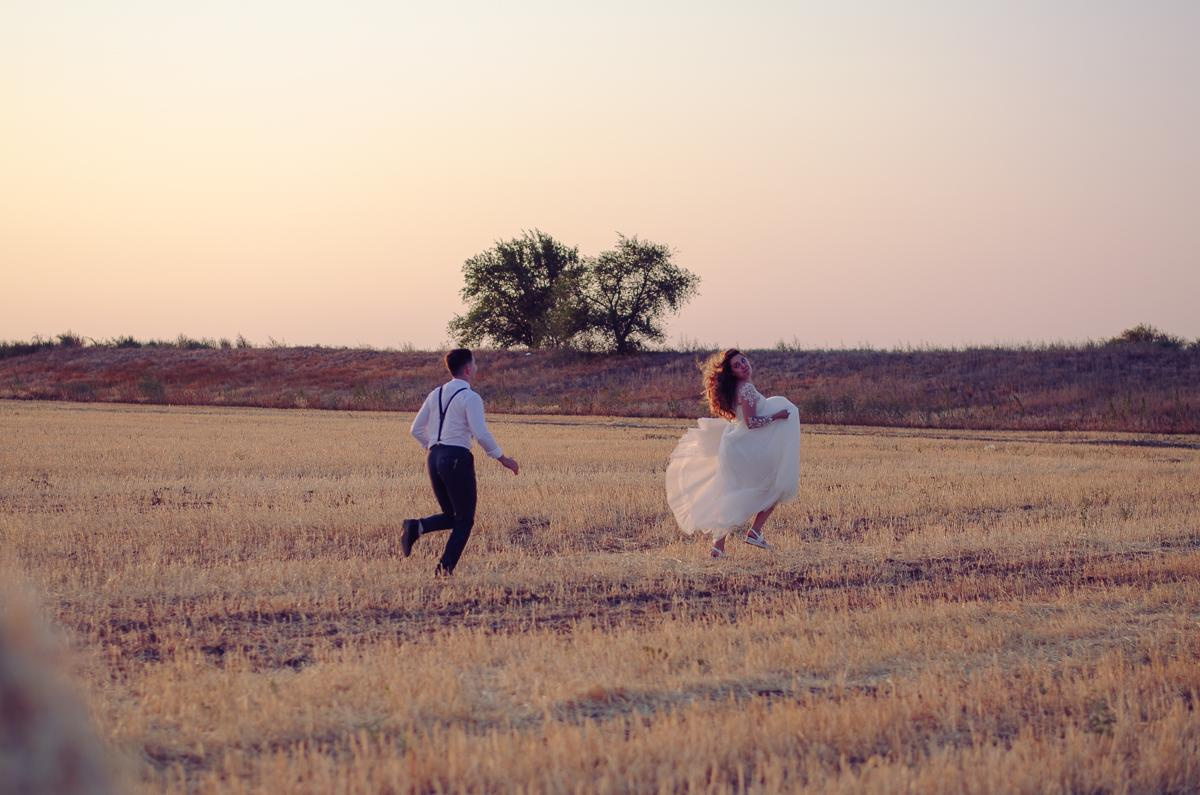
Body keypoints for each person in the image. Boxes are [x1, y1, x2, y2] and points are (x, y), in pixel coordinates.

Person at [665, 349, 800, 557]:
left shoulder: (740, 387)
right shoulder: (745, 388)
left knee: (733, 495)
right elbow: (752, 422)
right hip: (743, 449)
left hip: (736, 447)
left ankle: (719, 547)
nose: (743, 365)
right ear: (732, 373)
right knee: (774, 487)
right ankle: (754, 533)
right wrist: (778, 415)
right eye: (737, 365)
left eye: (743, 361)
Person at [401, 348, 519, 576]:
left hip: (433, 458)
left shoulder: (435, 394)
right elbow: (481, 434)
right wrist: (503, 458)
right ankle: (444, 571)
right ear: (467, 368)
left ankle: (416, 527)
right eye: (474, 364)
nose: (476, 368)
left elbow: (415, 429)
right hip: (456, 458)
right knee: (465, 520)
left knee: (451, 515)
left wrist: (433, 447)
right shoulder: (470, 397)